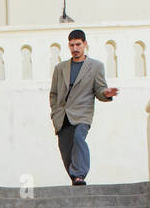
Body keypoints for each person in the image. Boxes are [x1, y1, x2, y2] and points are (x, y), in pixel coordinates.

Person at [48, 29, 118, 185]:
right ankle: (75, 177)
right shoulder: (60, 68)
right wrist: (54, 111)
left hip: (82, 113)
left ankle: (80, 174)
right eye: (72, 45)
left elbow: (99, 90)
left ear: (85, 44)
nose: (75, 49)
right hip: (62, 114)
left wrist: (106, 93)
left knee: (79, 138)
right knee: (65, 148)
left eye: (78, 44)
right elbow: (53, 93)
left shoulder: (95, 66)